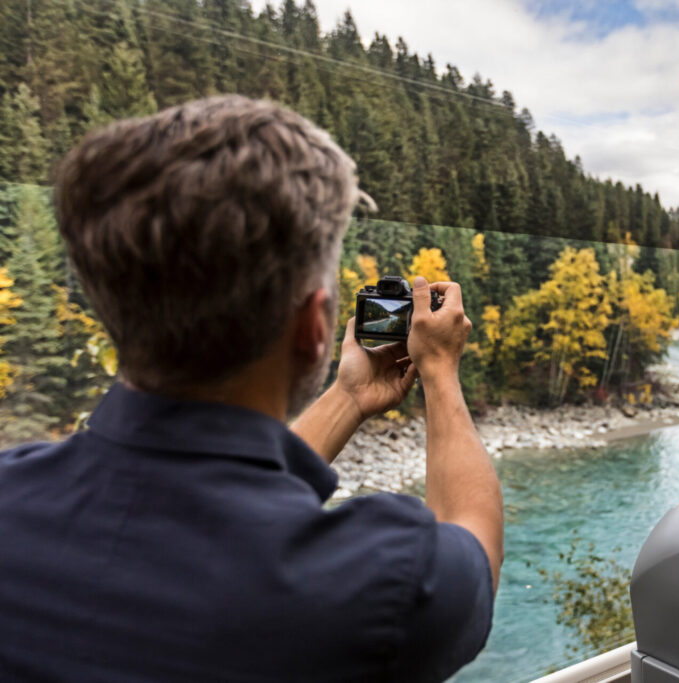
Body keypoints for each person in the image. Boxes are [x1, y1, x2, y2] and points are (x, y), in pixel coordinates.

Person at [0, 96, 503, 682]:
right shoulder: (371, 580)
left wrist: (349, 397)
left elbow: (208, 503)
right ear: (316, 327)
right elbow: (474, 543)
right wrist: (439, 369)